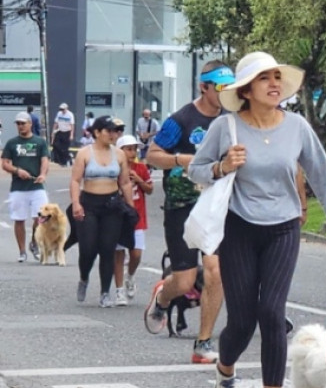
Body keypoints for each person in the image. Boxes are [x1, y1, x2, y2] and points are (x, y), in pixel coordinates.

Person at [189, 51, 326, 388]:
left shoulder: (297, 126)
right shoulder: (226, 127)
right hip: (238, 227)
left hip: (284, 227)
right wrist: (222, 166)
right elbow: (195, 170)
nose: (273, 84)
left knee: (272, 313)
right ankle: (225, 370)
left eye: (276, 77)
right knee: (241, 320)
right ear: (246, 90)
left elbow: (321, 175)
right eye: (263, 78)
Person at [145, 61, 233, 365]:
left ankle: (203, 343)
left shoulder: (233, 118)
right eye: (220, 88)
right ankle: (162, 297)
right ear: (204, 88)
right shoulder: (181, 120)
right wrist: (184, 160)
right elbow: (152, 154)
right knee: (183, 282)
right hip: (182, 203)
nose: (225, 94)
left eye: (230, 88)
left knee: (215, 271)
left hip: (217, 205)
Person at [69, 116, 135, 308]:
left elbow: (124, 182)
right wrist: (76, 203)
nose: (114, 135)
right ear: (97, 132)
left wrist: (130, 208)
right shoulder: (84, 153)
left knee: (108, 250)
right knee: (88, 248)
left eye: (117, 131)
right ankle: (84, 277)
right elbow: (75, 181)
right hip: (89, 204)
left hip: (112, 205)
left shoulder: (119, 155)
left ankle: (105, 292)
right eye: (110, 131)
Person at [2, 111, 50, 262]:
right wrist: (17, 170)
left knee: (42, 217)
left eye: (23, 123)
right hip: (18, 187)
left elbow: (44, 160)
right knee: (19, 219)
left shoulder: (40, 142)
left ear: (30, 124)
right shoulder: (12, 143)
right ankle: (22, 251)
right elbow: (5, 163)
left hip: (36, 185)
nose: (21, 126)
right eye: (18, 124)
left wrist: (43, 174)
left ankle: (34, 242)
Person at [113, 135, 152, 306]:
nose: (132, 152)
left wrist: (139, 180)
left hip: (137, 217)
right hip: (118, 217)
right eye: (128, 149)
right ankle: (119, 291)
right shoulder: (113, 169)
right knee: (119, 253)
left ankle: (130, 276)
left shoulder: (141, 168)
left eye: (134, 149)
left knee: (136, 254)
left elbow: (150, 189)